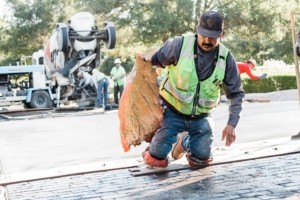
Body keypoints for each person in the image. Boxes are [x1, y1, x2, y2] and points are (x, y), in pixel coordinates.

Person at [142, 10, 245, 168]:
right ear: (197, 30)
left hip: (201, 117)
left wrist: (232, 124)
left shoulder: (226, 58)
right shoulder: (178, 45)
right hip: (171, 111)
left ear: (222, 35)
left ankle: (184, 142)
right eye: (203, 35)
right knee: (156, 158)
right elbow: (150, 63)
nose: (207, 40)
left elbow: (236, 94)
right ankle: (163, 144)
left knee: (202, 160)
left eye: (212, 37)